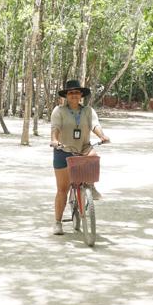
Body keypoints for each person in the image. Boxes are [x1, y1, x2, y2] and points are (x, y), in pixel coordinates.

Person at [49, 79, 110, 235]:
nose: (74, 95)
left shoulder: (88, 111)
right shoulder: (59, 111)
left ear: (81, 95)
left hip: (83, 148)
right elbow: (55, 128)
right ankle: (57, 222)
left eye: (77, 92)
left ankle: (90, 186)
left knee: (94, 155)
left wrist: (102, 136)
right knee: (62, 189)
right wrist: (55, 141)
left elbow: (95, 125)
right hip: (64, 150)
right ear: (66, 96)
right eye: (71, 93)